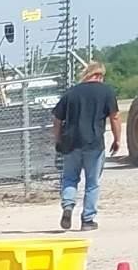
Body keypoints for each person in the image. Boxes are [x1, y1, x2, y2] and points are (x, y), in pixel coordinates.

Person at [52, 62, 123, 231]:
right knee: (92, 182)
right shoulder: (107, 91)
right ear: (99, 75)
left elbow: (56, 119)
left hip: (71, 143)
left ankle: (68, 206)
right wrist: (117, 139)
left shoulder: (71, 93)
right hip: (94, 143)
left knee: (70, 178)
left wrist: (58, 139)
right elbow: (115, 117)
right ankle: (87, 220)